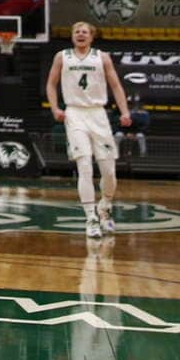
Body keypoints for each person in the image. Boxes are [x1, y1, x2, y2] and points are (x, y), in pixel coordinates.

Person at [44, 21, 134, 239]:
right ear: (72, 36)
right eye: (77, 31)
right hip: (74, 113)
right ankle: (90, 218)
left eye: (85, 32)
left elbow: (115, 86)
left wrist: (125, 112)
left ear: (92, 37)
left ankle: (105, 207)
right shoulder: (62, 56)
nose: (80, 34)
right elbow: (50, 84)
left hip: (98, 113)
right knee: (84, 165)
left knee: (109, 171)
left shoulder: (101, 57)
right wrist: (55, 107)